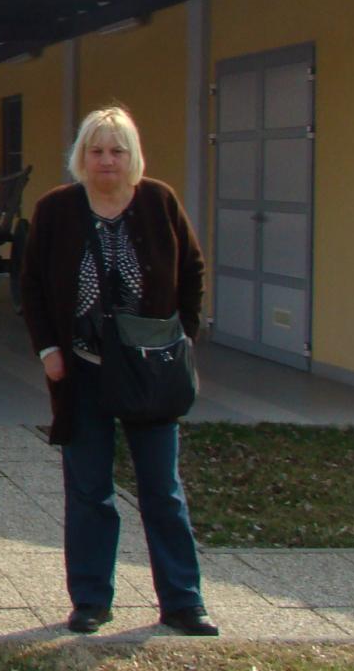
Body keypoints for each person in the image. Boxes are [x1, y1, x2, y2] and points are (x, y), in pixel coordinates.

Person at [19, 105, 217, 636]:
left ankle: (183, 601)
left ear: (133, 156)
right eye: (96, 150)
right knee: (89, 490)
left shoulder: (159, 201)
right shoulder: (57, 209)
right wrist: (48, 349)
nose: (106, 160)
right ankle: (91, 600)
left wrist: (182, 337)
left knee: (162, 490)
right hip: (83, 371)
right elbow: (31, 284)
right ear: (81, 157)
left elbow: (192, 270)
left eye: (117, 150)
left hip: (150, 373)